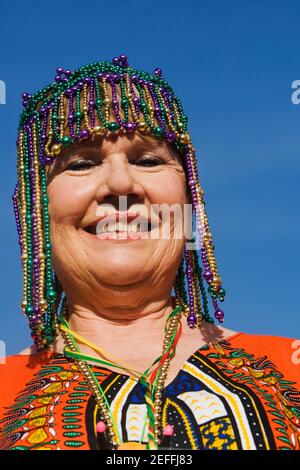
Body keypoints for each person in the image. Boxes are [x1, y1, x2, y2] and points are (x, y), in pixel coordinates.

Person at [0, 54, 299, 451]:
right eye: (81, 163)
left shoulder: (290, 369)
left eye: (148, 160)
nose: (121, 184)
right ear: (34, 211)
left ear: (191, 199)